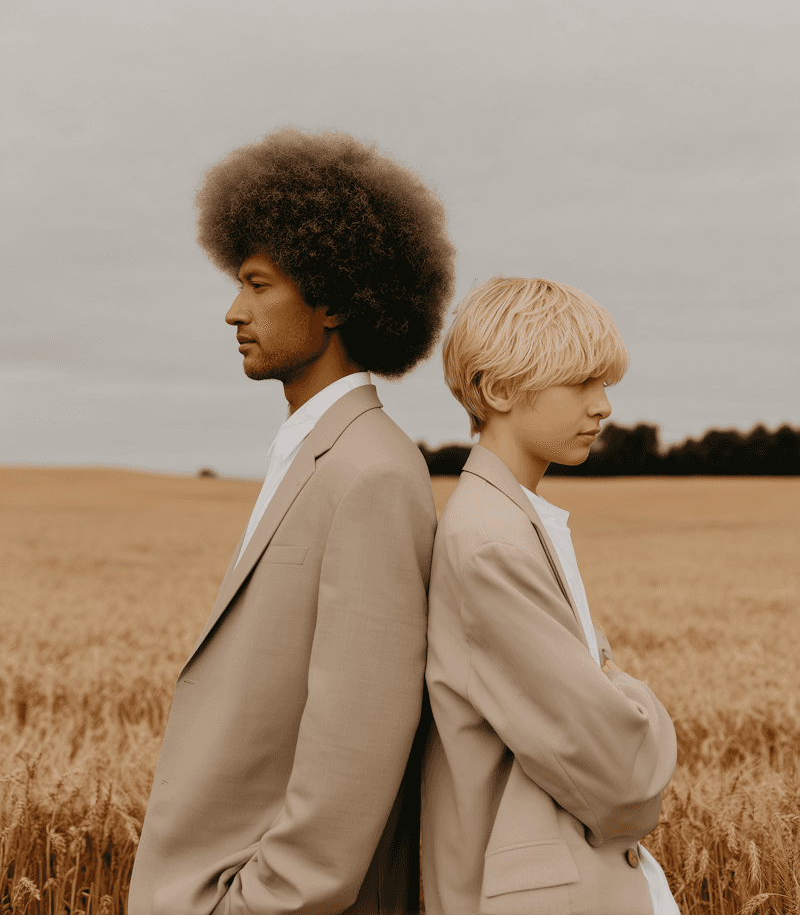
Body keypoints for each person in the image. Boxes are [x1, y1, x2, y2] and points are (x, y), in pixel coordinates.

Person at [128, 127, 457, 915]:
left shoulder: (371, 473)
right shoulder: (319, 454)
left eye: (258, 285)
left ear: (335, 299)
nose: (233, 311)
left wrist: (252, 905)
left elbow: (357, 741)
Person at [421, 276, 680, 915]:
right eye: (582, 383)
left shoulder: (512, 519)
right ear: (499, 390)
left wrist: (607, 688)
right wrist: (633, 696)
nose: (604, 406)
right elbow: (624, 773)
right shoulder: (490, 540)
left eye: (605, 384)